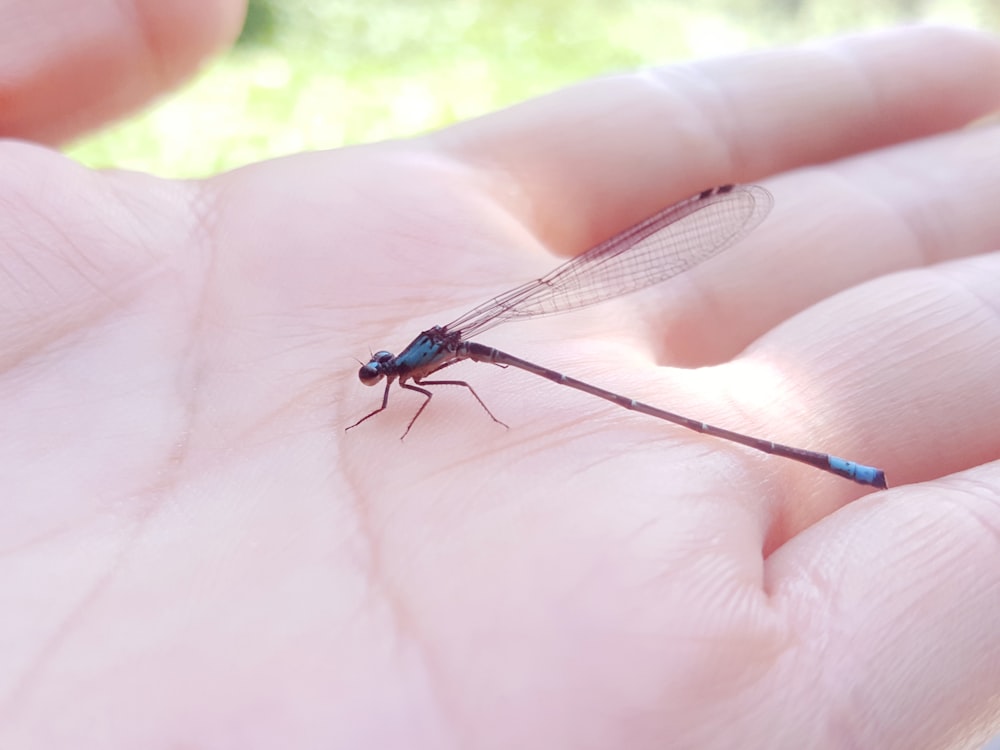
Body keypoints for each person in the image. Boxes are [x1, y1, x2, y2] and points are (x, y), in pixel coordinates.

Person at [2, 1, 999, 747]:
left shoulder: (432, 364)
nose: (384, 379)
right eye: (386, 373)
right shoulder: (412, 368)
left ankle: (833, 458)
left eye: (386, 373)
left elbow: (460, 386)